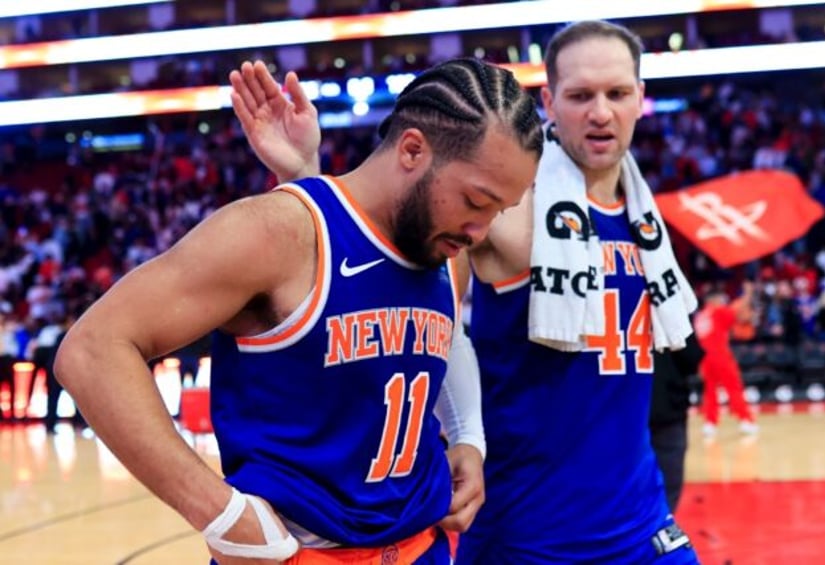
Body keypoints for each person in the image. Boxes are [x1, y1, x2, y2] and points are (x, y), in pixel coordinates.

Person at [236, 20, 701, 564]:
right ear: (549, 100)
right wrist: (306, 175)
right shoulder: (502, 208)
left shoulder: (645, 216)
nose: (600, 112)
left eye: (617, 93)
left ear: (641, 99)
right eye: (580, 96)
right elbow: (397, 295)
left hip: (642, 522)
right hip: (527, 531)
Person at [54, 57, 544, 565]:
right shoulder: (275, 232)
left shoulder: (446, 247)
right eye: (475, 200)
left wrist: (469, 437)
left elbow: (445, 338)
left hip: (424, 546)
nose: (481, 231)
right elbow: (93, 351)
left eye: (498, 211)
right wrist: (221, 515)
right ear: (413, 149)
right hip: (297, 553)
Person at [694, 283, 758, 437]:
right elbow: (738, 312)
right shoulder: (718, 311)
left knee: (709, 391)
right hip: (720, 356)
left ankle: (710, 424)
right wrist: (748, 294)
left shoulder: (701, 316)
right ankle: (745, 421)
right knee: (734, 387)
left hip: (704, 359)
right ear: (714, 300)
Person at [649, 333, 704, 512]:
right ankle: (663, 528)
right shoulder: (671, 305)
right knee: (669, 479)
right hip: (668, 407)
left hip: (625, 410)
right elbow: (692, 357)